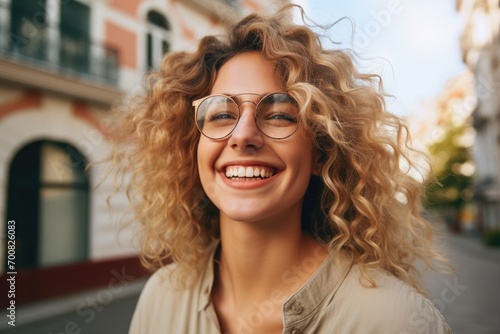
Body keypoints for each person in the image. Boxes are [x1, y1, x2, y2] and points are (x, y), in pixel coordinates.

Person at [111, 5, 451, 334]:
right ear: (192, 147)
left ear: (322, 153)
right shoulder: (160, 299)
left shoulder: (397, 322)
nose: (242, 135)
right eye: (221, 114)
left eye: (279, 114)